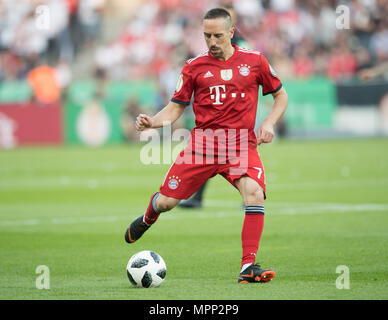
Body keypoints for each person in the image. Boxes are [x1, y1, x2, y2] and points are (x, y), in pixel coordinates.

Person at [124, 8, 288, 284]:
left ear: (231, 33)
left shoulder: (255, 60)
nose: (211, 41)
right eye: (206, 35)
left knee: (254, 193)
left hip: (240, 145)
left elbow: (281, 96)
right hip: (203, 145)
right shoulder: (193, 67)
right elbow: (175, 109)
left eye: (217, 35)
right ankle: (148, 217)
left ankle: (248, 266)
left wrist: (269, 123)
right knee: (167, 202)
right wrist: (152, 122)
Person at [178, 3, 246, 209]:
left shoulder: (242, 44)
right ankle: (198, 197)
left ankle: (249, 196)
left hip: (237, 107)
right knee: (210, 153)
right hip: (216, 108)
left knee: (238, 151)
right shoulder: (214, 40)